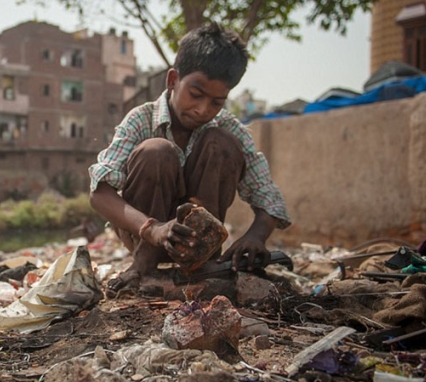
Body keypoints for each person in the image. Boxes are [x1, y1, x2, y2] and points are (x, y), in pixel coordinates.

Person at [88, 23, 291, 293]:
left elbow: (268, 196)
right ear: (173, 80)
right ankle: (143, 267)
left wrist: (256, 236)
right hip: (145, 236)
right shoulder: (140, 120)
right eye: (195, 94)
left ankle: (201, 264)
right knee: (156, 151)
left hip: (199, 243)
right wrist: (153, 228)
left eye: (216, 102)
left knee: (222, 144)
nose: (203, 109)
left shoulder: (227, 128)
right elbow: (100, 193)